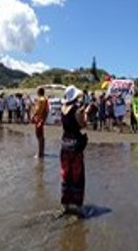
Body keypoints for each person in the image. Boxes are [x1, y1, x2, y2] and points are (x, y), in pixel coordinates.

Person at [59, 86, 89, 216]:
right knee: (77, 175)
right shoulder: (77, 110)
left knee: (66, 174)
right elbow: (83, 125)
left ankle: (65, 204)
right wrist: (86, 113)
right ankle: (77, 205)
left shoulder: (62, 109)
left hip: (65, 143)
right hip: (75, 144)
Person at [33, 88, 49, 159]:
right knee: (41, 136)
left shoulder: (41, 99)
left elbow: (38, 109)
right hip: (42, 118)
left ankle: (39, 154)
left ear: (39, 92)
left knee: (39, 136)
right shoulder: (45, 99)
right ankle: (42, 152)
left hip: (39, 118)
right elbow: (46, 110)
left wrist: (33, 116)